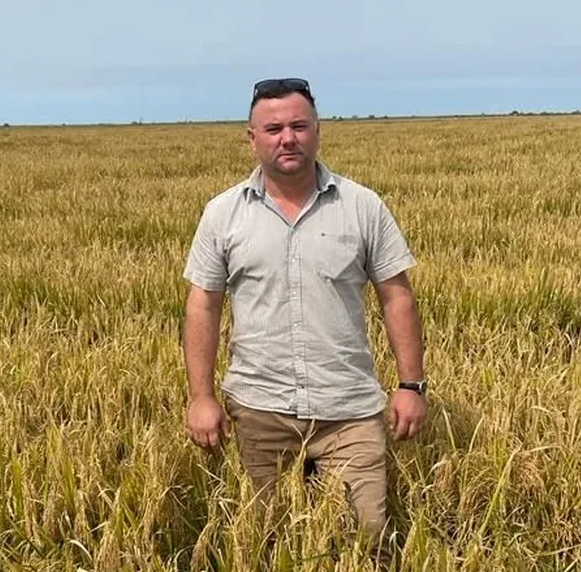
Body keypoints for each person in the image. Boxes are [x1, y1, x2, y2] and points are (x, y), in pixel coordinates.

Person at [182, 77, 426, 545]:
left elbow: (396, 295)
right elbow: (203, 304)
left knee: (367, 539)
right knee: (262, 543)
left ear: (317, 130)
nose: (287, 138)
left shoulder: (363, 206)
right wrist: (201, 397)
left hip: (348, 411)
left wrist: (410, 385)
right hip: (259, 410)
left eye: (298, 126)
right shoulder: (223, 213)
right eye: (273, 129)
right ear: (252, 138)